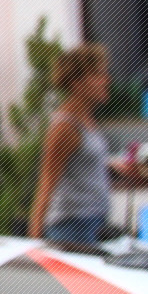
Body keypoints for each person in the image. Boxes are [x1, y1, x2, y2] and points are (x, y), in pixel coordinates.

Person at [29, 42, 115, 244]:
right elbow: (47, 181)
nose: (106, 80)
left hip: (94, 222)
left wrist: (116, 167)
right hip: (72, 228)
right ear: (77, 83)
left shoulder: (87, 118)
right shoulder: (65, 127)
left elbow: (84, 164)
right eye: (98, 74)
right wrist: (34, 241)